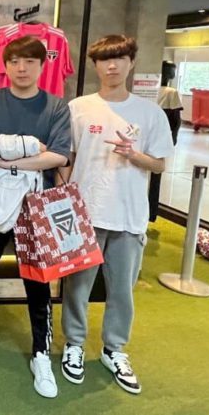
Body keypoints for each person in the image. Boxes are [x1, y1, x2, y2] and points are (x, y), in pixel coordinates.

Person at [0, 36, 71, 399]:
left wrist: (7, 157)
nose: (22, 68)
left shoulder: (55, 106)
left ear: (42, 65)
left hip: (36, 205)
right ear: (4, 66)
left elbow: (58, 156)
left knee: (38, 283)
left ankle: (41, 354)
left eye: (29, 62)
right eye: (15, 61)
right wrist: (29, 147)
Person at [60, 35, 173, 395]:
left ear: (131, 63)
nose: (112, 66)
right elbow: (68, 159)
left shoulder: (150, 113)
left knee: (121, 289)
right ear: (95, 65)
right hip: (85, 213)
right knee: (77, 287)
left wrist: (133, 155)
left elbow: (159, 164)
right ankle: (74, 345)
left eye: (119, 59)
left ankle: (114, 349)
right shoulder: (78, 107)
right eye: (105, 60)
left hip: (129, 215)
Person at [148, 60, 182, 222]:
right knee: (155, 175)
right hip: (160, 134)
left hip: (149, 132)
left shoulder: (152, 89)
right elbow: (176, 118)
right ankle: (151, 211)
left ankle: (151, 211)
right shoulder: (171, 92)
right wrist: (173, 137)